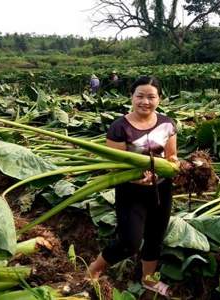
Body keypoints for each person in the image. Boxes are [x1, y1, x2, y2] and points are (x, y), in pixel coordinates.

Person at [88, 76, 178, 297]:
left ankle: (148, 280)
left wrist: (176, 164)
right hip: (131, 191)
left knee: (156, 237)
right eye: (140, 96)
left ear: (159, 98)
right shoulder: (119, 127)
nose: (145, 101)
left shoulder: (168, 123)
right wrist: (136, 179)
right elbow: (114, 167)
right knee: (130, 242)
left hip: (161, 189)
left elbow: (172, 155)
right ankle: (94, 270)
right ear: (131, 96)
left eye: (151, 97)